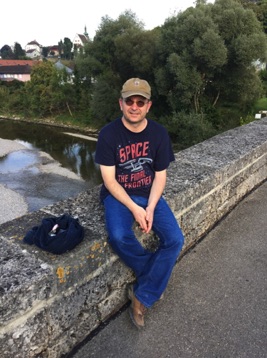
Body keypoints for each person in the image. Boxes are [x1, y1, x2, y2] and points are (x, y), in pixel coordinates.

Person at [95, 78, 184, 329]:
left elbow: (160, 175)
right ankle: (152, 280)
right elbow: (110, 181)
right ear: (121, 104)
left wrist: (151, 207)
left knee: (175, 239)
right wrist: (135, 209)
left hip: (149, 193)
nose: (134, 106)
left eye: (140, 102)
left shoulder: (158, 133)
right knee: (118, 235)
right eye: (129, 101)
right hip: (119, 195)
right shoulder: (108, 135)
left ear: (148, 106)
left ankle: (142, 294)